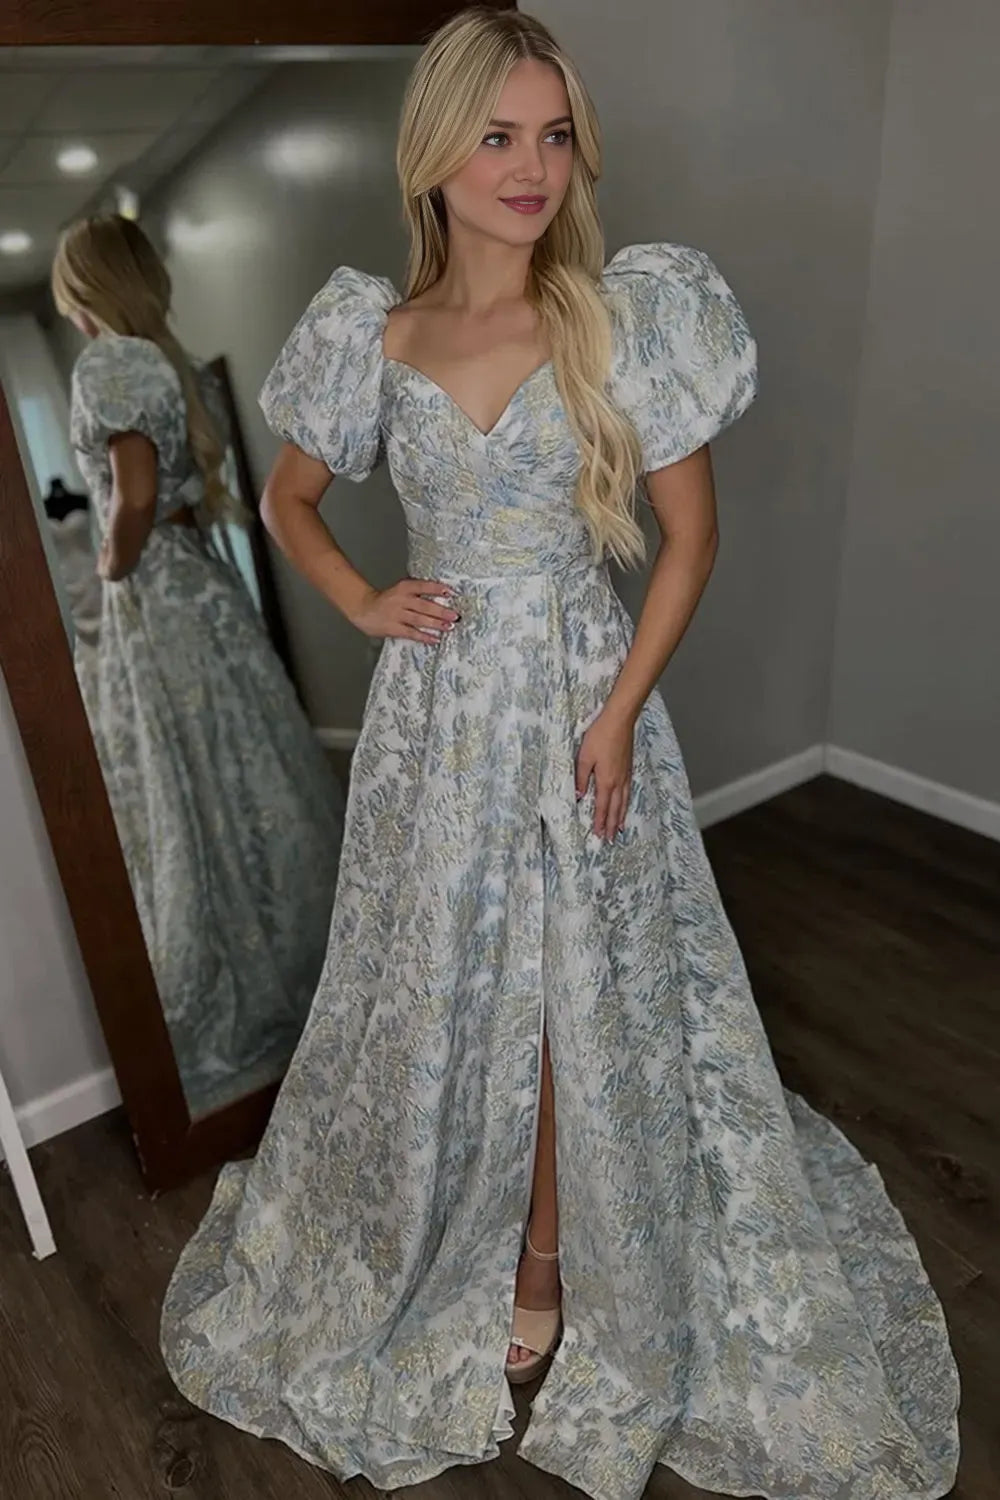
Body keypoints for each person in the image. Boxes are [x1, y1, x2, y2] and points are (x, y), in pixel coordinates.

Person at [158, 8, 960, 1498]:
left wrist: (617, 712)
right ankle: (439, 1226)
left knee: (566, 984)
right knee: (442, 979)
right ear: (434, 153)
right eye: (496, 135)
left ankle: (545, 1258)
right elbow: (287, 502)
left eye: (554, 135)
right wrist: (365, 600)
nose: (531, 167)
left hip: (580, 694)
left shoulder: (618, 318)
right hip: (434, 722)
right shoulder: (374, 335)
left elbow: (690, 540)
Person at [52, 215, 346, 1116]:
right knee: (244, 767)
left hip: (157, 589)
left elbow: (135, 493)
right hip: (199, 582)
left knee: (189, 776)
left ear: (81, 286)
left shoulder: (110, 363)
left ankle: (242, 973)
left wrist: (110, 565)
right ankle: (304, 959)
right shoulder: (163, 360)